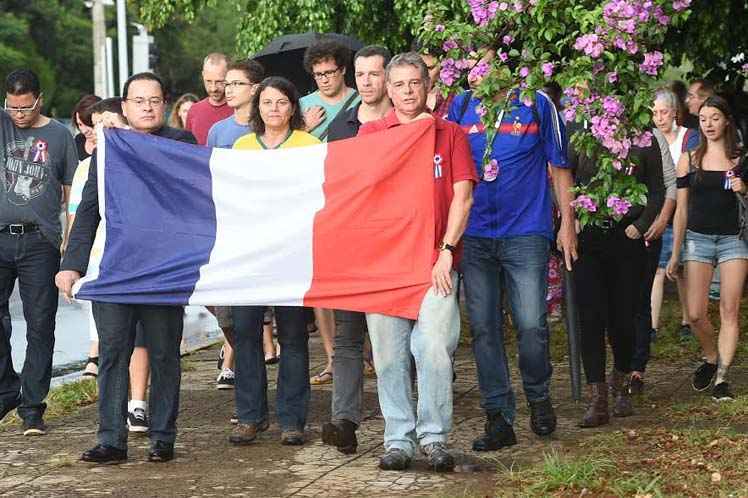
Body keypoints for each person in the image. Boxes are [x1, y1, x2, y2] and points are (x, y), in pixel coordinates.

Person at [56, 72, 197, 463]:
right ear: (125, 106)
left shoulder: (181, 143)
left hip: (164, 270)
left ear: (164, 104)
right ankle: (112, 440)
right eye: (138, 101)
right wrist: (71, 265)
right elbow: (87, 212)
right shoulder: (108, 150)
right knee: (113, 353)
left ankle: (163, 437)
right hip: (116, 268)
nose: (147, 107)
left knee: (165, 354)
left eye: (154, 100)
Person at [448, 53, 576, 448]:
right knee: (485, 329)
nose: (478, 70)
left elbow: (560, 167)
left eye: (486, 61)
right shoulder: (461, 105)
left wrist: (567, 225)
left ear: (506, 64)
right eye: (470, 62)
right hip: (477, 234)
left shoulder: (536, 102)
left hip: (526, 231)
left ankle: (538, 397)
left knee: (532, 324)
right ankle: (498, 417)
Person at [358, 52, 476, 472]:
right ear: (388, 91)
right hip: (386, 266)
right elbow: (356, 196)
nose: (407, 92)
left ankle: (434, 437)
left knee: (432, 349)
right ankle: (398, 440)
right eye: (400, 85)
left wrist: (447, 250)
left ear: (427, 87)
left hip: (435, 261)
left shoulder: (451, 134)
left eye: (415, 83)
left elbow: (463, 196)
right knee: (388, 356)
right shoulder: (372, 133)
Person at [229, 76, 318, 446]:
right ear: (257, 108)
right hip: (249, 255)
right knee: (246, 333)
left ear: (292, 107)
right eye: (267, 103)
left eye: (281, 102)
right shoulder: (242, 145)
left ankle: (292, 420)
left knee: (294, 336)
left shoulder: (309, 144)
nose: (274, 109)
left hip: (294, 254)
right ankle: (250, 417)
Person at [320, 45, 392, 455]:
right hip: (353, 246)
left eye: (374, 74)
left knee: (393, 338)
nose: (366, 82)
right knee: (348, 337)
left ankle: (399, 421)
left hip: (396, 246)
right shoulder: (342, 125)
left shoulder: (407, 123)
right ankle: (343, 421)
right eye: (361, 75)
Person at [570, 125, 665, 428]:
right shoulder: (579, 131)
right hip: (589, 239)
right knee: (590, 318)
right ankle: (597, 398)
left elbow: (658, 189)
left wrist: (642, 224)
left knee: (623, 317)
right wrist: (568, 221)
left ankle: (621, 381)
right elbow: (562, 181)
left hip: (627, 238)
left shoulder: (643, 135)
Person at [0, 69, 77, 435]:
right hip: (0, 237)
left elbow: (72, 196)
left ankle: (32, 407)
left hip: (40, 242)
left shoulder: (60, 136)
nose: (18, 114)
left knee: (41, 325)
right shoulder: (2, 124)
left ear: (39, 99)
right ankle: (7, 390)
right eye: (12, 107)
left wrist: (71, 242)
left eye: (25, 108)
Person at [667, 95, 748, 402]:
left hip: (734, 239)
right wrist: (675, 253)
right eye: (703, 119)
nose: (709, 124)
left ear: (726, 120)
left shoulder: (741, 159)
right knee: (697, 313)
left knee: (730, 309)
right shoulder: (689, 157)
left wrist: (745, 188)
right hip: (697, 240)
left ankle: (723, 378)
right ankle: (711, 356)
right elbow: (681, 209)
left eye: (715, 118)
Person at [300, 41, 361, 385]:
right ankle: (332, 357)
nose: (323, 79)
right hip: (318, 200)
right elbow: (290, 148)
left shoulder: (362, 100)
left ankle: (364, 351)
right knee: (322, 282)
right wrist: (305, 129)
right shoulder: (305, 106)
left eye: (329, 73)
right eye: (317, 74)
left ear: (342, 70)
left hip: (355, 199)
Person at [207, 59, 268, 389]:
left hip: (263, 233)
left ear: (254, 89)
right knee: (225, 313)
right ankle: (243, 356)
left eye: (235, 84)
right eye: (225, 84)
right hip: (228, 231)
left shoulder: (266, 126)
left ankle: (251, 374)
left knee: (258, 315)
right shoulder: (219, 131)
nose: (227, 90)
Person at [66, 97, 124, 379]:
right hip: (99, 251)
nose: (96, 130)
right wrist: (71, 258)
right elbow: (80, 212)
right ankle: (97, 354)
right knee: (99, 307)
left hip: (134, 252)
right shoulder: (87, 166)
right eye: (93, 125)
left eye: (106, 124)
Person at [629, 88, 680, 394]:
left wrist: (660, 220)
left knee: (640, 297)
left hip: (649, 227)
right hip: (621, 231)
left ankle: (637, 367)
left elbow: (670, 186)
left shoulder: (652, 137)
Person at [186, 53, 233, 145]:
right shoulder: (194, 111)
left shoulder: (240, 109)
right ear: (203, 75)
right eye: (208, 81)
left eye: (219, 82)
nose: (213, 88)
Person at [71, 94, 102, 161]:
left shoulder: (112, 143)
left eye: (88, 124)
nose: (84, 130)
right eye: (80, 124)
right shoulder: (78, 141)